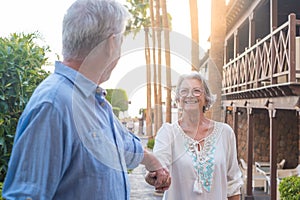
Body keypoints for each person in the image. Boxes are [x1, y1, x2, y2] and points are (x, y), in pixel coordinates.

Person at [2, 0, 170, 199]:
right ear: (111, 43)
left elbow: (119, 145)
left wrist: (152, 161)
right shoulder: (53, 105)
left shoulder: (93, 102)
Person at [151, 72, 243, 199]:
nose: (190, 95)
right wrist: (155, 175)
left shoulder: (225, 133)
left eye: (196, 91)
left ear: (206, 98)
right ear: (178, 99)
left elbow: (233, 184)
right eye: (184, 91)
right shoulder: (168, 133)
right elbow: (160, 163)